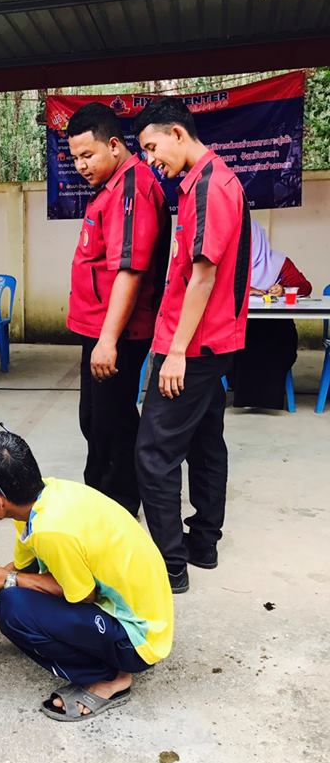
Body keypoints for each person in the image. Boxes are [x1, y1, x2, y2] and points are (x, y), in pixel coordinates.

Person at [0, 428, 173, 721]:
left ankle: (111, 678)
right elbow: (22, 570)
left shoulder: (52, 531)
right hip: (142, 613)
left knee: (13, 608)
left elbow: (83, 595)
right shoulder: (43, 500)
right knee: (16, 591)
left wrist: (3, 579)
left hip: (139, 641)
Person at [133, 97, 251, 594]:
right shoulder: (210, 181)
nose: (150, 160)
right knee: (204, 441)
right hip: (210, 340)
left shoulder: (208, 186)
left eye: (152, 147)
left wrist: (176, 352)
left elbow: (203, 276)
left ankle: (169, 564)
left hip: (195, 345)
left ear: (177, 134)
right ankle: (202, 544)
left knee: (154, 453)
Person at [66, 103, 170, 516]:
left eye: (87, 155)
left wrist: (108, 340)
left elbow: (130, 270)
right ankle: (101, 498)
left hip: (119, 333)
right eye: (75, 158)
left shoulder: (132, 189)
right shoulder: (110, 188)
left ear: (113, 145)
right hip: (99, 328)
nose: (80, 166)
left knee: (111, 422)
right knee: (95, 419)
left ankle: (119, 507)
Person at [232, 221, 312, 410]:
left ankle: (267, 399)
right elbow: (213, 290)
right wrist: (245, 290)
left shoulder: (278, 262)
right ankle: (244, 396)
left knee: (274, 345)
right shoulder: (230, 263)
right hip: (241, 328)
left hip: (276, 328)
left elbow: (305, 287)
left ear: (258, 239)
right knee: (243, 347)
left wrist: (283, 289)